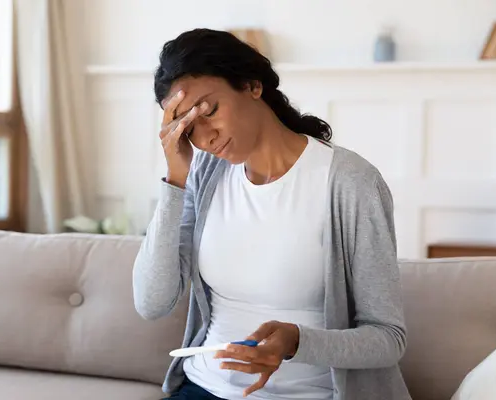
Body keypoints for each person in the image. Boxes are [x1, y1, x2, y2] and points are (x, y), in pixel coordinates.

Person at [133, 28, 411, 400]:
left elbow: (388, 338)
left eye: (210, 110)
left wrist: (296, 342)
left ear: (252, 85)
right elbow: (152, 303)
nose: (206, 138)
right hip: (204, 388)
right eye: (187, 127)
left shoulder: (349, 182)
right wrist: (176, 179)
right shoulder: (205, 174)